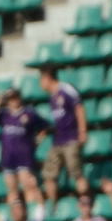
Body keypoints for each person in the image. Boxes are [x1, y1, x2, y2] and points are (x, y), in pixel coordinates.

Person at [36, 64, 87, 200]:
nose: (40, 83)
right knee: (48, 175)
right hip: (57, 140)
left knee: (76, 174)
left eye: (41, 79)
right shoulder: (52, 97)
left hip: (71, 138)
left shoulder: (66, 89)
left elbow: (79, 108)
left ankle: (85, 203)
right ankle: (53, 208)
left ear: (47, 78)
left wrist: (82, 131)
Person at [0, 89, 42, 205]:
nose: (14, 101)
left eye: (15, 98)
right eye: (11, 99)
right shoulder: (4, 115)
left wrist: (38, 140)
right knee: (12, 191)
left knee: (28, 186)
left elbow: (43, 127)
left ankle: (32, 216)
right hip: (8, 157)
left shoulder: (29, 113)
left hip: (24, 157)